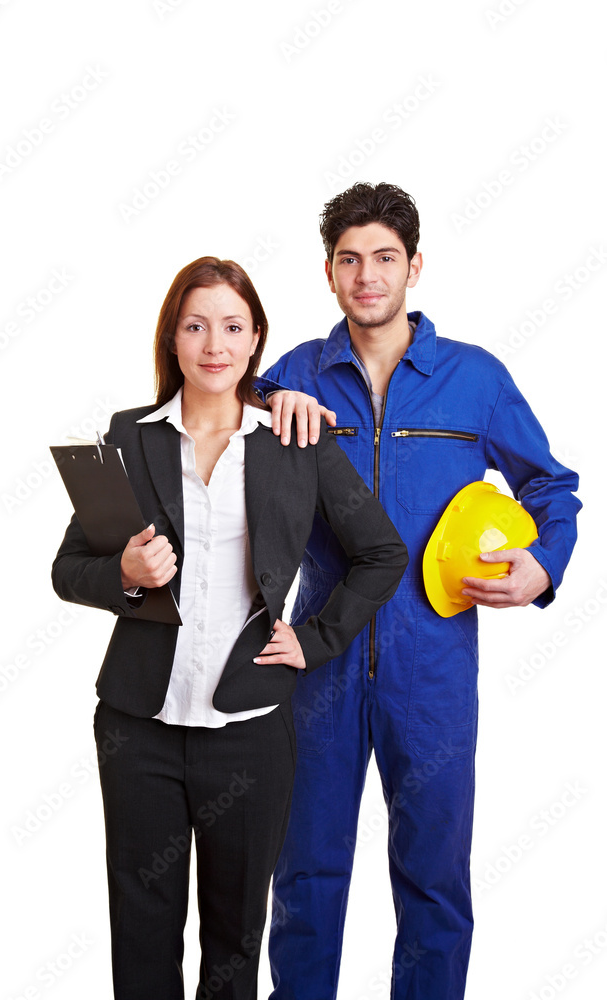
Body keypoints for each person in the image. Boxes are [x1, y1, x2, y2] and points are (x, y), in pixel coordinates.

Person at [51, 256, 408, 1000]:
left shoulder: (294, 440)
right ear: (172, 339)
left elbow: (380, 553)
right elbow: (68, 569)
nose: (214, 344)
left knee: (234, 941)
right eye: (195, 326)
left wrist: (315, 639)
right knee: (142, 930)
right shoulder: (129, 436)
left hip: (250, 728)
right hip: (137, 726)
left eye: (232, 327)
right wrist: (125, 573)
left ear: (254, 342)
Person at [260, 183, 581, 1000]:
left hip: (431, 665)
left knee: (433, 877)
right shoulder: (297, 373)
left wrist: (544, 564)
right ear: (328, 273)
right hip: (317, 660)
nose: (366, 276)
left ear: (414, 266)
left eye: (384, 258)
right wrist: (268, 398)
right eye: (348, 260)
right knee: (304, 876)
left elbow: (549, 484)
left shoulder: (473, 379)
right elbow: (217, 422)